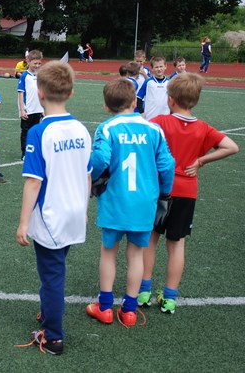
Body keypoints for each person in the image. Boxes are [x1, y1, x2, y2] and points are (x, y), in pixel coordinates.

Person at [139, 73, 239, 314]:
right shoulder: (203, 128)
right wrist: (201, 160)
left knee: (150, 239)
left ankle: (143, 292)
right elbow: (232, 147)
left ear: (170, 99)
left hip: (160, 190)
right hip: (186, 192)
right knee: (177, 244)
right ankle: (170, 298)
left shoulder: (159, 122)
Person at [15, 61, 92, 356]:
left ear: (39, 93)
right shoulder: (82, 129)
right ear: (71, 93)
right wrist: (84, 209)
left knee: (52, 276)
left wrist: (23, 223)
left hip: (51, 216)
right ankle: (49, 311)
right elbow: (87, 175)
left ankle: (53, 337)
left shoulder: (39, 132)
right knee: (56, 268)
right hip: (74, 212)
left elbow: (34, 182)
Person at [86, 78, 175, 327]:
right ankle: (129, 310)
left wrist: (94, 180)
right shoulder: (154, 129)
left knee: (108, 251)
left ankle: (105, 307)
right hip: (144, 202)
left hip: (115, 199)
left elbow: (100, 159)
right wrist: (165, 195)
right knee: (136, 254)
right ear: (135, 101)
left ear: (106, 106)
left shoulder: (107, 128)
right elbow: (167, 165)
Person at [17, 50, 44, 160]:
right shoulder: (24, 76)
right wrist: (22, 110)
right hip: (27, 111)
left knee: (35, 133)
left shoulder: (40, 76)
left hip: (38, 110)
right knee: (25, 132)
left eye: (39, 63)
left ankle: (33, 151)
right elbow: (21, 94)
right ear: (29, 62)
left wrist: (43, 109)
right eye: (35, 63)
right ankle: (24, 153)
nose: (37, 65)